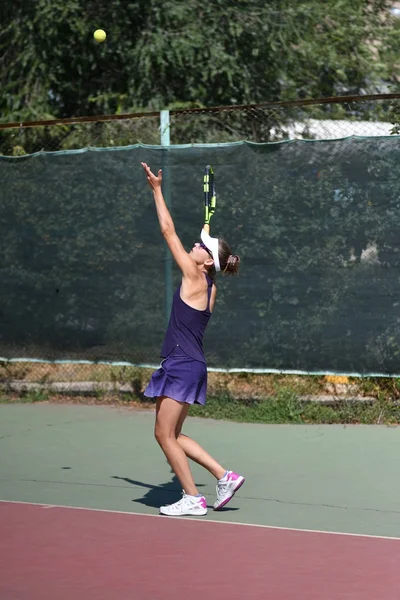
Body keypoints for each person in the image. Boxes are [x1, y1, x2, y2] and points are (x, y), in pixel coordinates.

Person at [141, 162, 245, 517]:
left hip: (182, 364)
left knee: (162, 435)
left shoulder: (194, 275)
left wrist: (156, 190)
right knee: (174, 434)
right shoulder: (209, 284)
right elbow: (202, 248)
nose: (192, 246)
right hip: (190, 363)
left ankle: (193, 498)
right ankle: (224, 475)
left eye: (199, 247)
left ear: (204, 262)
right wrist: (206, 242)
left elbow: (168, 232)